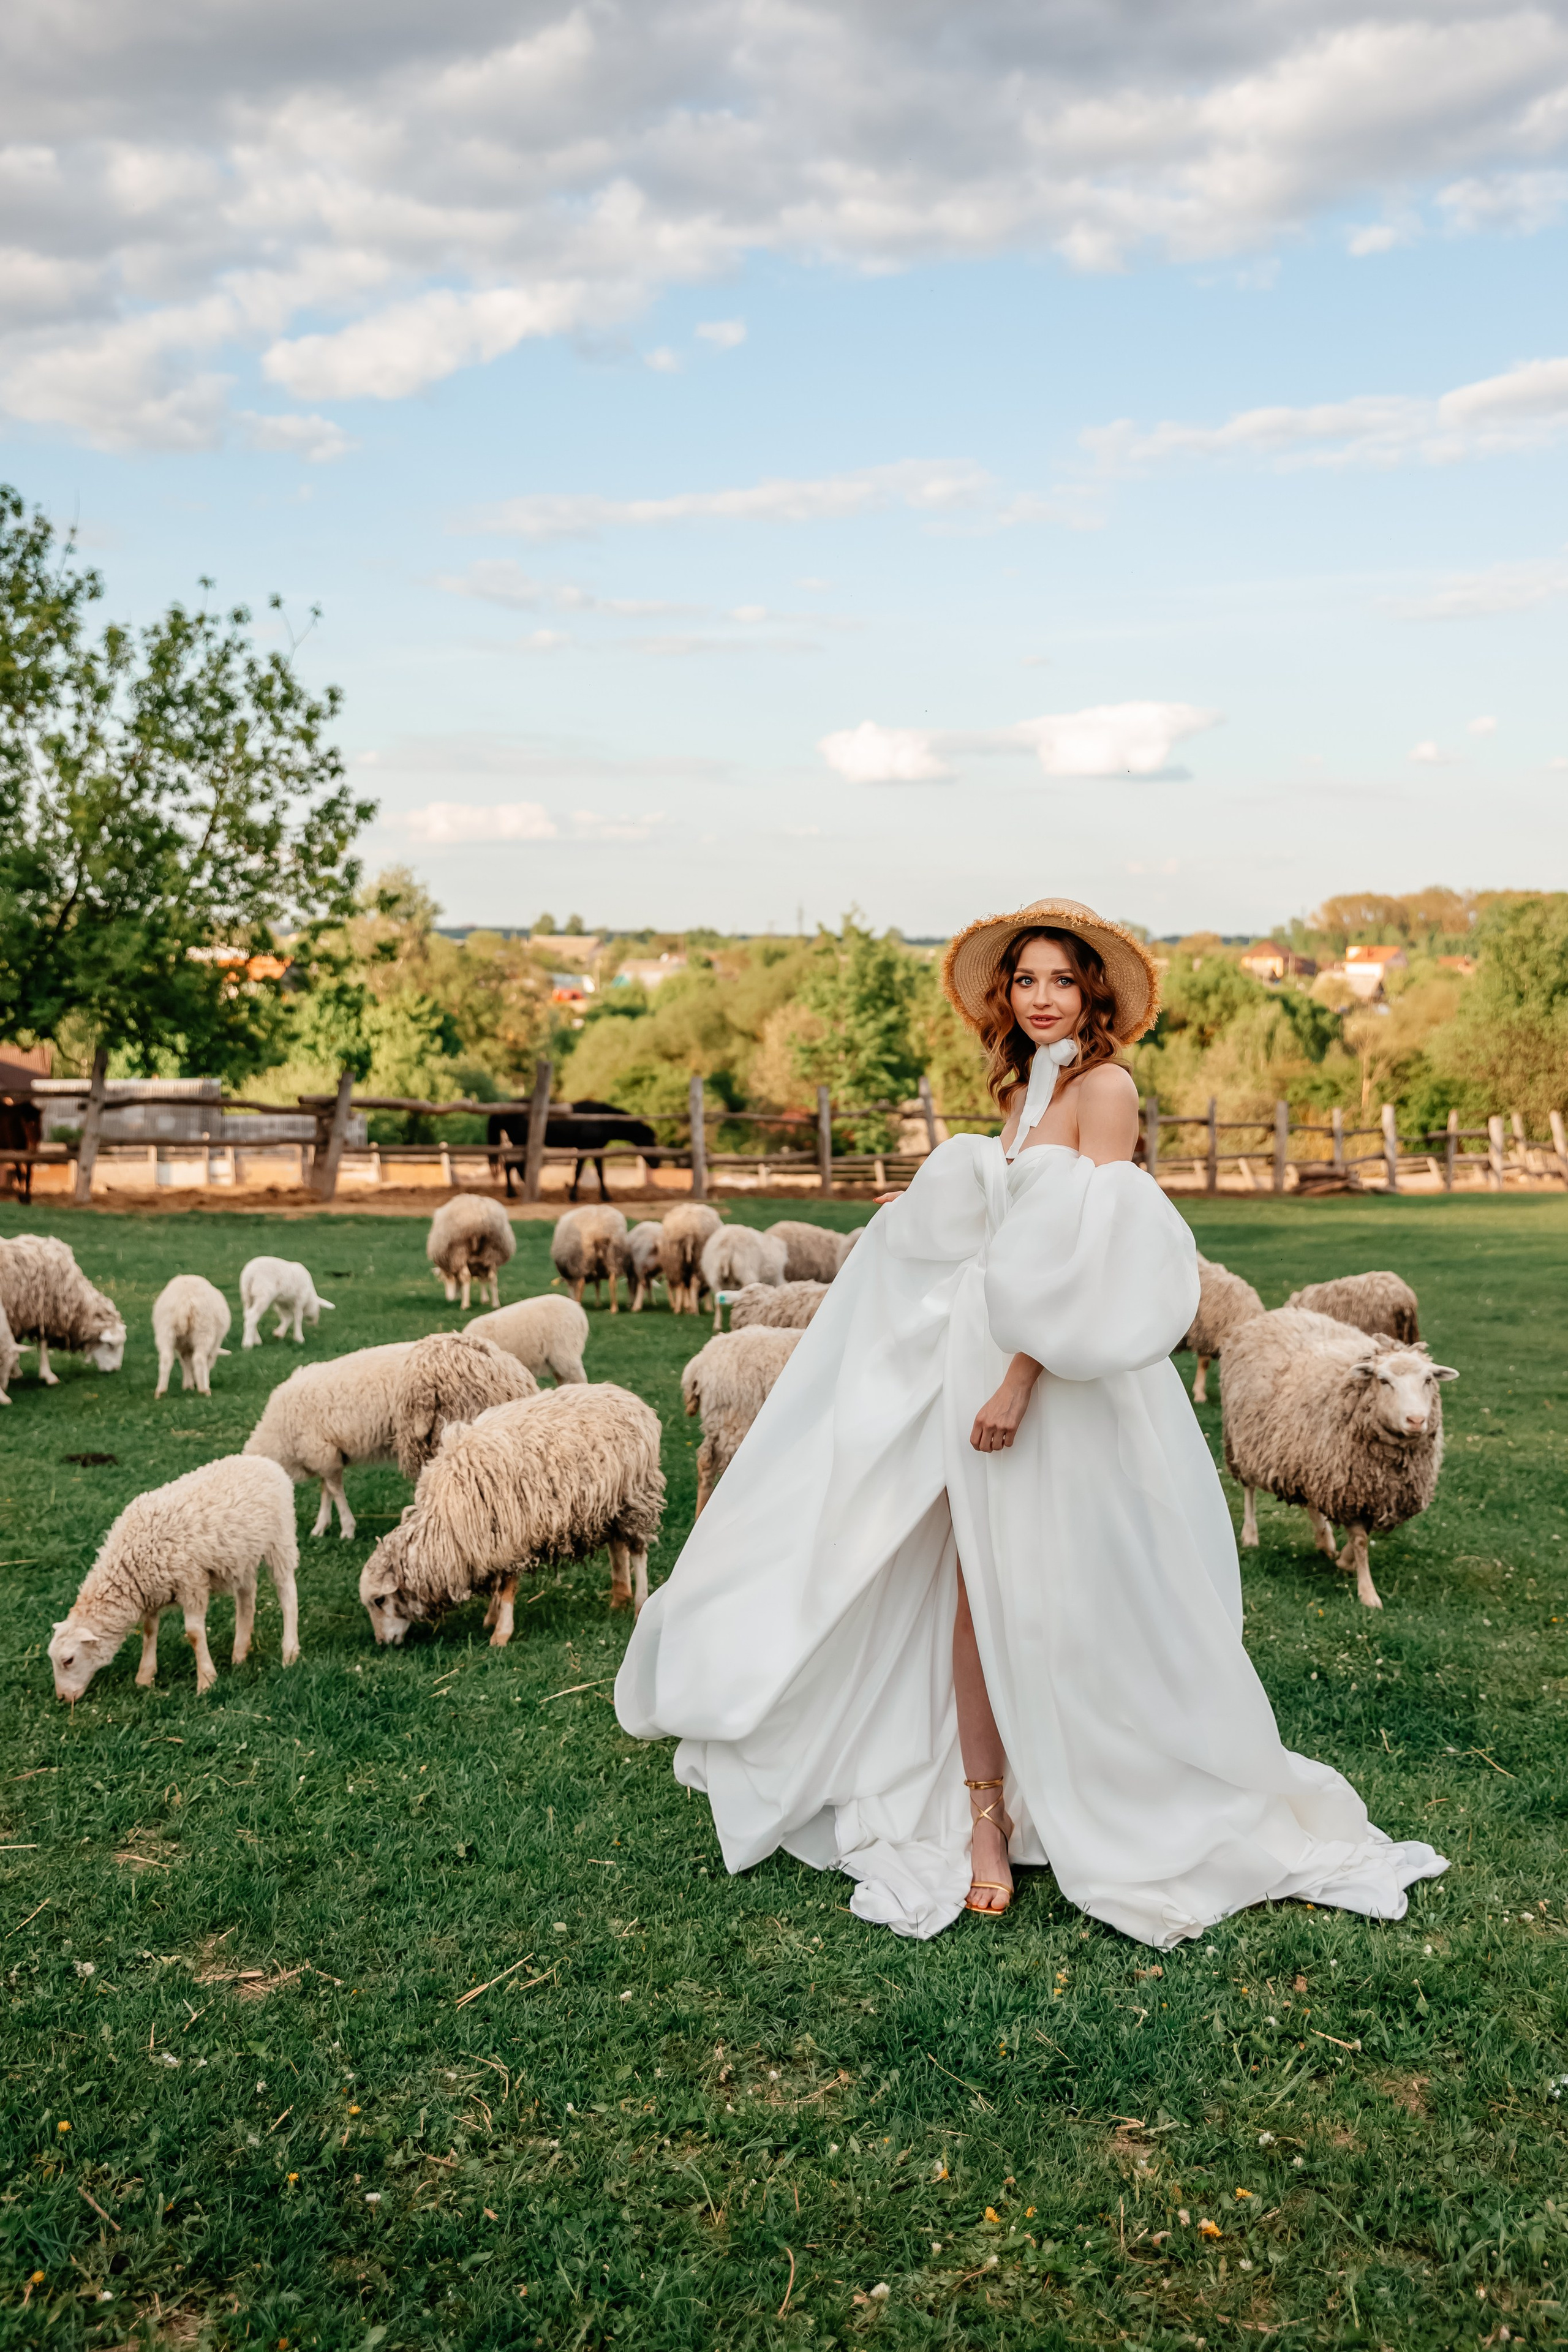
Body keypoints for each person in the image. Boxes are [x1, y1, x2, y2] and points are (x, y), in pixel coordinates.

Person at [615, 897, 1446, 1946]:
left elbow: (1092, 1266)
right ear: (1006, 998)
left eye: (1060, 979)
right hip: (972, 1366)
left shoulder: (1107, 1091)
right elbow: (1009, 1231)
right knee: (972, 1591)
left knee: (1064, 1591)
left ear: (1092, 993)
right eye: (1025, 981)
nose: (1042, 998)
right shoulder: (1023, 1089)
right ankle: (983, 1823)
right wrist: (913, 1220)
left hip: (1059, 1387)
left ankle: (1099, 1785)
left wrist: (1015, 1382)